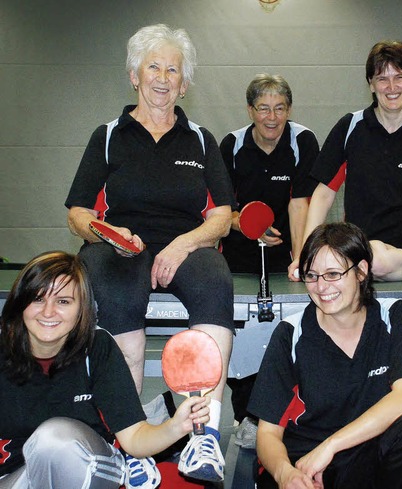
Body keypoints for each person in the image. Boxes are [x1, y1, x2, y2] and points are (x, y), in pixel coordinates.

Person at [64, 24, 235, 486]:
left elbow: (223, 215)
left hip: (185, 245)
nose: (163, 76)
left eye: (173, 69)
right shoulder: (107, 136)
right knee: (121, 314)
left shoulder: (200, 139)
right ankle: (129, 442)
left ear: (184, 83)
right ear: (134, 75)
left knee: (216, 282)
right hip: (120, 247)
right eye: (153, 66)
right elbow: (77, 212)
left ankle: (204, 436)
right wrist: (106, 234)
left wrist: (186, 242)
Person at [249, 222, 402, 489]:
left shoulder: (395, 316)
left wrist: (331, 446)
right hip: (304, 462)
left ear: (361, 271)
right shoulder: (290, 334)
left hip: (364, 457)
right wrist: (286, 474)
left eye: (333, 274)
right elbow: (268, 433)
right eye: (311, 275)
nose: (321, 287)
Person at [0, 251, 211, 489]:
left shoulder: (98, 347)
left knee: (52, 440)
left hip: (90, 465)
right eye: (38, 299)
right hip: (18, 474)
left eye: (63, 301)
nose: (48, 312)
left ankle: (129, 464)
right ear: (20, 303)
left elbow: (134, 438)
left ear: (82, 309)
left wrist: (175, 427)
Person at [289, 40, 402, 282]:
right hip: (368, 240)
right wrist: (305, 255)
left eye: (400, 77)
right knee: (375, 264)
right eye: (382, 78)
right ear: (371, 84)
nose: (391, 86)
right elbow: (323, 195)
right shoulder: (350, 127)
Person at [219, 73, 319, 448]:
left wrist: (300, 259)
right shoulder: (230, 145)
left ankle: (284, 413)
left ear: (289, 110)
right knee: (239, 339)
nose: (272, 117)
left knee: (288, 336)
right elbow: (219, 210)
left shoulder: (303, 141)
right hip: (238, 258)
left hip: (286, 259)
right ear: (250, 111)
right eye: (263, 108)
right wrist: (244, 224)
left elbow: (301, 203)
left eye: (280, 108)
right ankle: (248, 415)